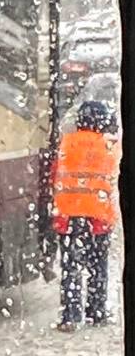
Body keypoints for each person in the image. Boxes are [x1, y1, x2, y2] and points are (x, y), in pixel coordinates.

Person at [53, 99, 121, 332]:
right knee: (97, 266)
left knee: (71, 266)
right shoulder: (110, 145)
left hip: (68, 214)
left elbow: (54, 174)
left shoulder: (65, 143)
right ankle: (97, 311)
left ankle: (70, 316)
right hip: (98, 216)